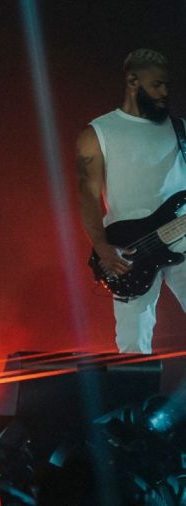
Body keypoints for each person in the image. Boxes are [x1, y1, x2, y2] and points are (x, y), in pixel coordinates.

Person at [77, 48, 186, 353]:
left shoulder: (181, 130)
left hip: (183, 237)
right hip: (129, 250)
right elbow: (87, 194)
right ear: (133, 81)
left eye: (167, 85)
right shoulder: (97, 133)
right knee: (133, 341)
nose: (165, 92)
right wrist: (101, 246)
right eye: (157, 85)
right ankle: (137, 399)